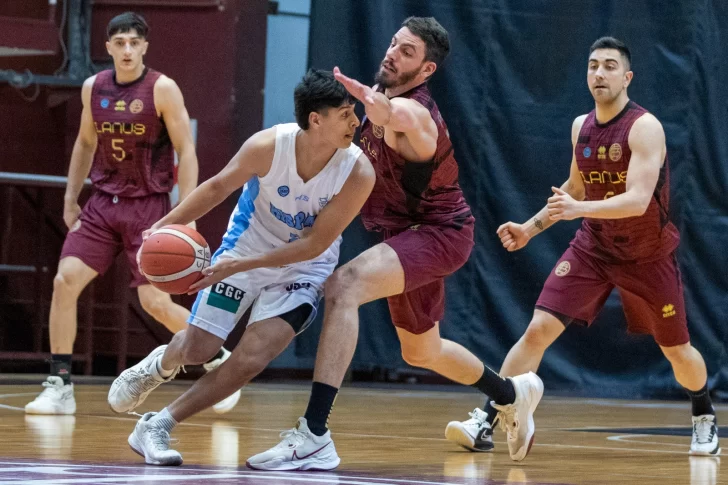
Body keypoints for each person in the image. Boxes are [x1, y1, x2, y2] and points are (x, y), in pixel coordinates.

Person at [247, 17, 543, 472]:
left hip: (440, 232)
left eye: (407, 52)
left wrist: (371, 101)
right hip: (404, 235)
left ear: (426, 70)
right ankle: (511, 393)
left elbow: (393, 117)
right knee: (421, 351)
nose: (392, 53)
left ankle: (314, 435)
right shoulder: (375, 101)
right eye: (393, 44)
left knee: (344, 285)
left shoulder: (415, 114)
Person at [446, 36, 720, 457]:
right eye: (593, 65)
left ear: (627, 77)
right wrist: (529, 228)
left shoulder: (645, 127)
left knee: (677, 351)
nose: (599, 73)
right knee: (537, 329)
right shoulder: (581, 126)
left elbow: (638, 200)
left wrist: (578, 207)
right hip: (593, 247)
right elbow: (573, 188)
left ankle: (703, 413)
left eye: (610, 66)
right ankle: (488, 414)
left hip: (647, 254)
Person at [105, 69, 375, 466]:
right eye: (345, 113)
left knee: (251, 358)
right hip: (247, 245)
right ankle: (161, 363)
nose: (356, 122)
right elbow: (216, 187)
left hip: (304, 267)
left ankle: (156, 425)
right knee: (198, 349)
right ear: (315, 119)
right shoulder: (268, 146)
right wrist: (163, 226)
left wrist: (239, 266)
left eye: (355, 112)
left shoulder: (358, 170)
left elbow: (314, 244)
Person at [24, 12, 239, 416]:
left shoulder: (162, 89)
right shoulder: (94, 87)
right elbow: (85, 145)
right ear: (107, 47)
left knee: (155, 303)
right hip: (103, 203)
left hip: (149, 207)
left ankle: (216, 359)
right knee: (65, 280)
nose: (126, 49)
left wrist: (186, 212)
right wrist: (71, 198)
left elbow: (186, 152)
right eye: (119, 42)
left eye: (133, 43)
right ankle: (59, 385)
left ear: (144, 47)